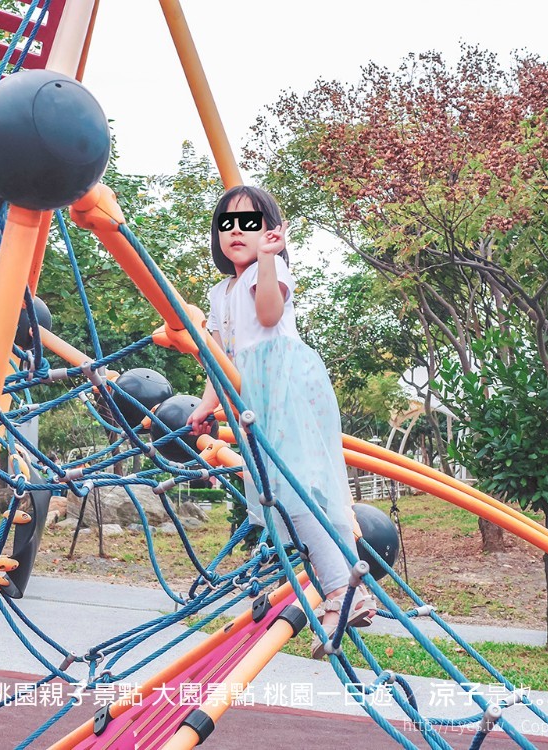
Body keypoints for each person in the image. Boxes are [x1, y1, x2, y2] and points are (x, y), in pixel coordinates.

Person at [187, 185, 376, 658]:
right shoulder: (219, 292)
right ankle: (341, 592)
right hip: (252, 399)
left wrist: (269, 260)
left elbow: (269, 317)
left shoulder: (266, 272)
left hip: (286, 389)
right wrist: (206, 405)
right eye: (227, 222)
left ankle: (341, 589)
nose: (236, 231)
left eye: (249, 223)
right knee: (278, 503)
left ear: (269, 232)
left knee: (298, 491)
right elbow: (223, 359)